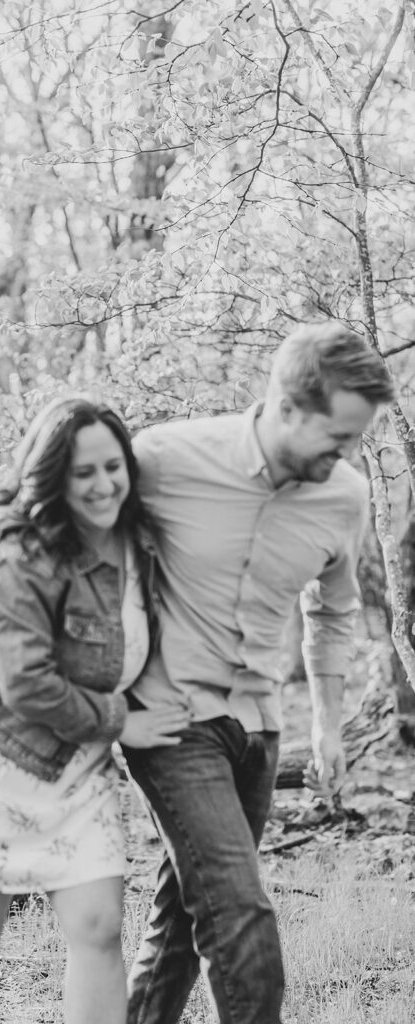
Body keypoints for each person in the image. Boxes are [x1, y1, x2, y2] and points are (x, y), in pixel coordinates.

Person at [122, 322, 395, 1024]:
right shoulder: (163, 458)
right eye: (339, 435)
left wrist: (327, 728)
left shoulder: (344, 496)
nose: (349, 453)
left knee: (184, 919)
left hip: (259, 730)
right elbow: (83, 554)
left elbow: (331, 613)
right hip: (170, 722)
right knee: (239, 916)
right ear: (286, 406)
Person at [0, 395, 192, 1024]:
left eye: (113, 466)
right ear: (55, 477)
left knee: (98, 925)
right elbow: (28, 685)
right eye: (83, 472)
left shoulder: (141, 538)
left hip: (76, 761)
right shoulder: (21, 554)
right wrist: (124, 722)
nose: (102, 484)